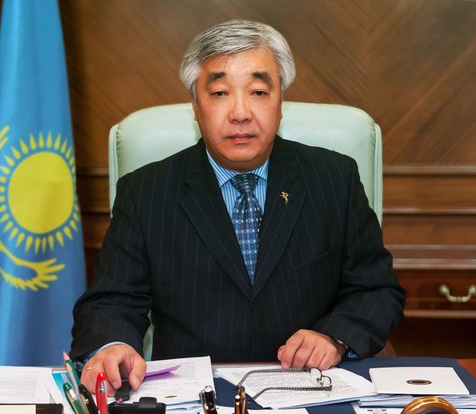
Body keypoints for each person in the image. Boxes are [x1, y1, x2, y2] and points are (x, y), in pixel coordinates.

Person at [70, 19, 405, 394]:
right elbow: (111, 301)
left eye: (259, 92)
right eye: (220, 93)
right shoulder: (146, 191)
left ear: (280, 103)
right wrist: (112, 345)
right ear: (195, 106)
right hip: (194, 397)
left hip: (309, 389)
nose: (241, 113)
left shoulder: (334, 178)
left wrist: (335, 337)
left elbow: (377, 291)